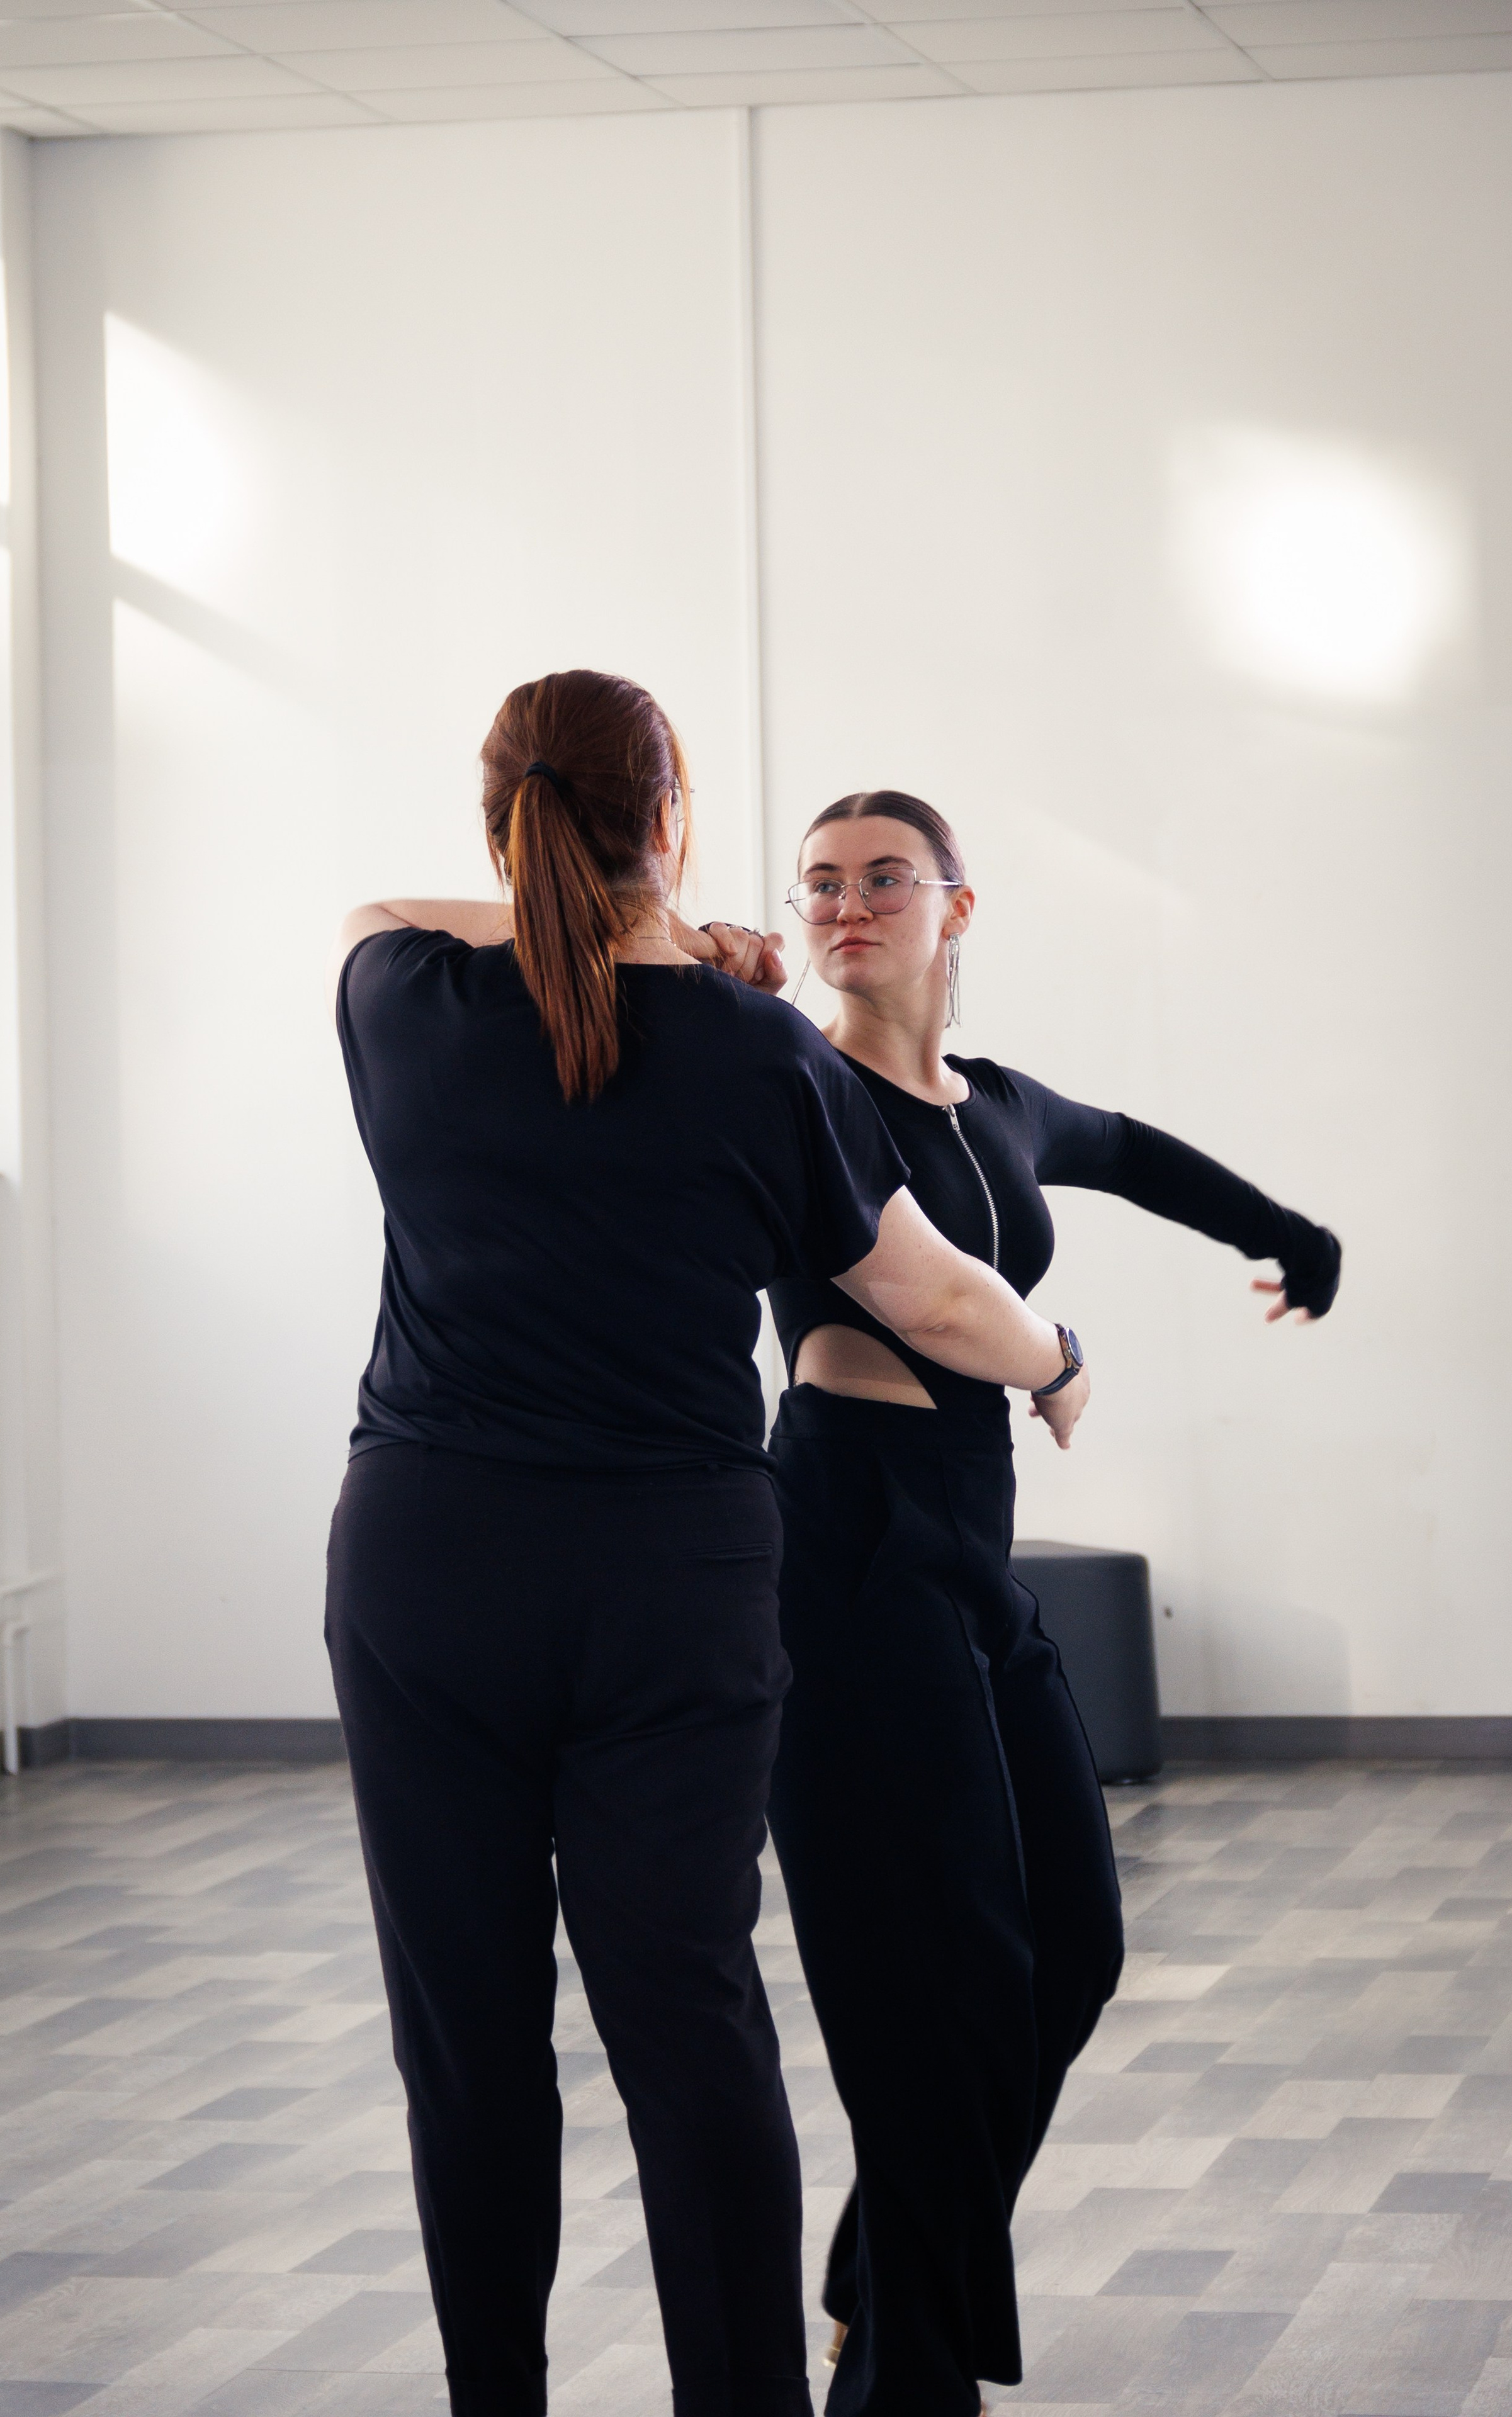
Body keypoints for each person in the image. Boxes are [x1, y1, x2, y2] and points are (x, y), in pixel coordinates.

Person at [322, 678, 1085, 2417]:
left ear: (498, 822)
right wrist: (1062, 1359)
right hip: (669, 1588)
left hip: (428, 1568)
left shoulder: (404, 994)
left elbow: (371, 907)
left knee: (467, 2048)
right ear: (669, 821)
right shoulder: (762, 1054)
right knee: (687, 2021)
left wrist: (626, 920)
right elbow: (929, 1294)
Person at [763, 789, 1341, 2417]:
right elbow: (951, 1311)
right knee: (932, 1993)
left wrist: (1292, 1236)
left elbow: (1130, 1154)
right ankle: (903, 2372)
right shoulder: (797, 1089)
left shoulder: (997, 1105)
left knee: (1069, 1948)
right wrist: (1062, 1354)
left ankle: (887, 2269)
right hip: (847, 1545)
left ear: (959, 904)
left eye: (886, 878)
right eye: (820, 884)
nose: (848, 904)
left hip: (969, 1554)